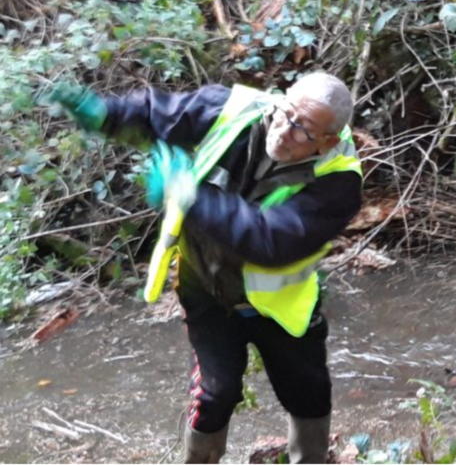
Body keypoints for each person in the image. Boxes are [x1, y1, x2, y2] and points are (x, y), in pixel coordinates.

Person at [48, 73, 363, 463]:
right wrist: (105, 114)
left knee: (308, 390)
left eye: (303, 131)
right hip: (206, 289)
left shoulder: (340, 182)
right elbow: (159, 114)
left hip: (281, 306)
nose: (284, 131)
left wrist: (189, 195)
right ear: (279, 100)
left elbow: (271, 241)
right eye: (284, 114)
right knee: (215, 394)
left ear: (328, 141)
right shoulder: (234, 110)